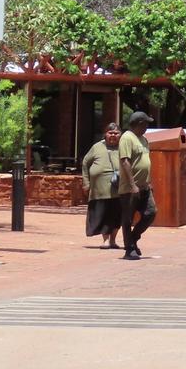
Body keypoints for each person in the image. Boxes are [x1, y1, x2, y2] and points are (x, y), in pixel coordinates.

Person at [117, 111, 158, 260]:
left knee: (151, 213)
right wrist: (132, 184)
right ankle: (129, 249)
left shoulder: (144, 139)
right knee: (127, 218)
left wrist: (148, 181)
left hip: (144, 186)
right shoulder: (127, 138)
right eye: (146, 123)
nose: (147, 126)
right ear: (139, 123)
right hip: (130, 188)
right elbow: (125, 161)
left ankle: (133, 238)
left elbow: (145, 162)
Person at [81, 123, 123, 248]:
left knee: (116, 215)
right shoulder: (97, 147)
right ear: (105, 134)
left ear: (120, 135)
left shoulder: (123, 147)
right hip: (99, 190)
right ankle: (105, 240)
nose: (113, 135)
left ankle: (113, 240)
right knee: (103, 214)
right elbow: (85, 163)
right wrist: (86, 182)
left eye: (116, 133)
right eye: (110, 133)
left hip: (118, 188)